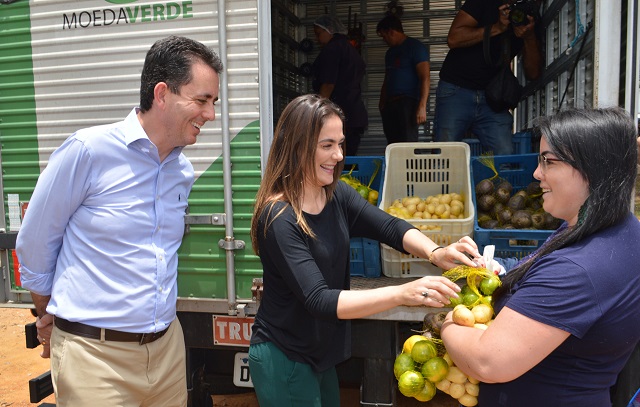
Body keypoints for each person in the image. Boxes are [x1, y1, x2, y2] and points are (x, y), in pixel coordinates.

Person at [16, 35, 223, 406]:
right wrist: (48, 314)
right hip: (94, 358)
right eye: (202, 101)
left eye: (214, 103)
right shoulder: (88, 151)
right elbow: (34, 244)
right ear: (162, 94)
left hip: (167, 352)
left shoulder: (182, 171)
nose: (210, 114)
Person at [247, 94, 481, 406]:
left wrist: (435, 252)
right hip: (285, 356)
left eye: (340, 144)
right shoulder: (279, 217)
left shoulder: (336, 194)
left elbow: (389, 227)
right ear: (297, 146)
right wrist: (401, 293)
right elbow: (319, 299)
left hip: (319, 353)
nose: (338, 155)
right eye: (327, 145)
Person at [440, 107, 640, 407]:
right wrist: (505, 270)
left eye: (549, 161)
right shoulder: (620, 231)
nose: (536, 174)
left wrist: (447, 324)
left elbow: (488, 362)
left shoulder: (577, 270)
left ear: (592, 168)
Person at [434, 0, 542, 155]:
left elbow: (533, 74)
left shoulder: (531, 19)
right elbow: (454, 38)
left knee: (504, 156)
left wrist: (529, 37)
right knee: (444, 158)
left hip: (493, 98)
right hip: (456, 91)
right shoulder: (484, 3)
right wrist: (497, 28)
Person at [312, 15, 368, 156]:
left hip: (340, 112)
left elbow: (328, 83)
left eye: (319, 34)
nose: (318, 39)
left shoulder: (332, 49)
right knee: (348, 156)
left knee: (337, 158)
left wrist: (317, 111)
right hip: (354, 112)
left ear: (330, 30)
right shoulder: (351, 49)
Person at [376, 14, 430, 144]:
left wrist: (422, 106)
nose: (384, 40)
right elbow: (387, 77)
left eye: (384, 36)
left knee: (408, 144)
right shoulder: (389, 53)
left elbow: (425, 77)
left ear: (391, 32)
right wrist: (382, 101)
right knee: (393, 145)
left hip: (408, 103)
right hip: (390, 104)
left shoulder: (415, 47)